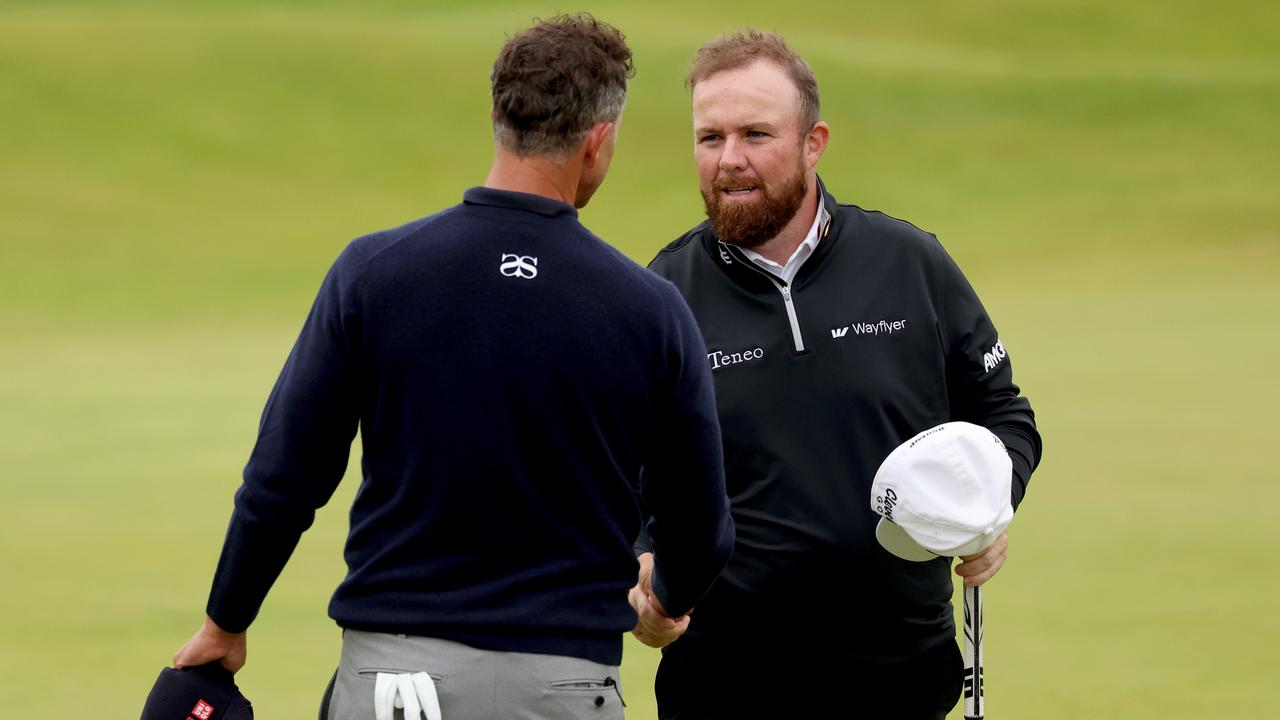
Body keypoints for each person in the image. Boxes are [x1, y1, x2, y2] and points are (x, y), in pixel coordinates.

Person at [171, 15, 734, 720]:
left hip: (394, 685)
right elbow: (702, 524)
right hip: (566, 688)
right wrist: (667, 600)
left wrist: (226, 621)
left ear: (499, 118)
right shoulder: (650, 310)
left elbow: (283, 479)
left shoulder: (374, 274)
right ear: (598, 141)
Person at [634, 30, 1043, 719]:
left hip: (901, 677)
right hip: (726, 685)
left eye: (756, 134)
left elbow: (1001, 414)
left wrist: (986, 502)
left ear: (813, 141)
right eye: (710, 138)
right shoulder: (661, 297)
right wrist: (640, 570)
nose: (729, 160)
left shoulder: (910, 264)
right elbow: (621, 474)